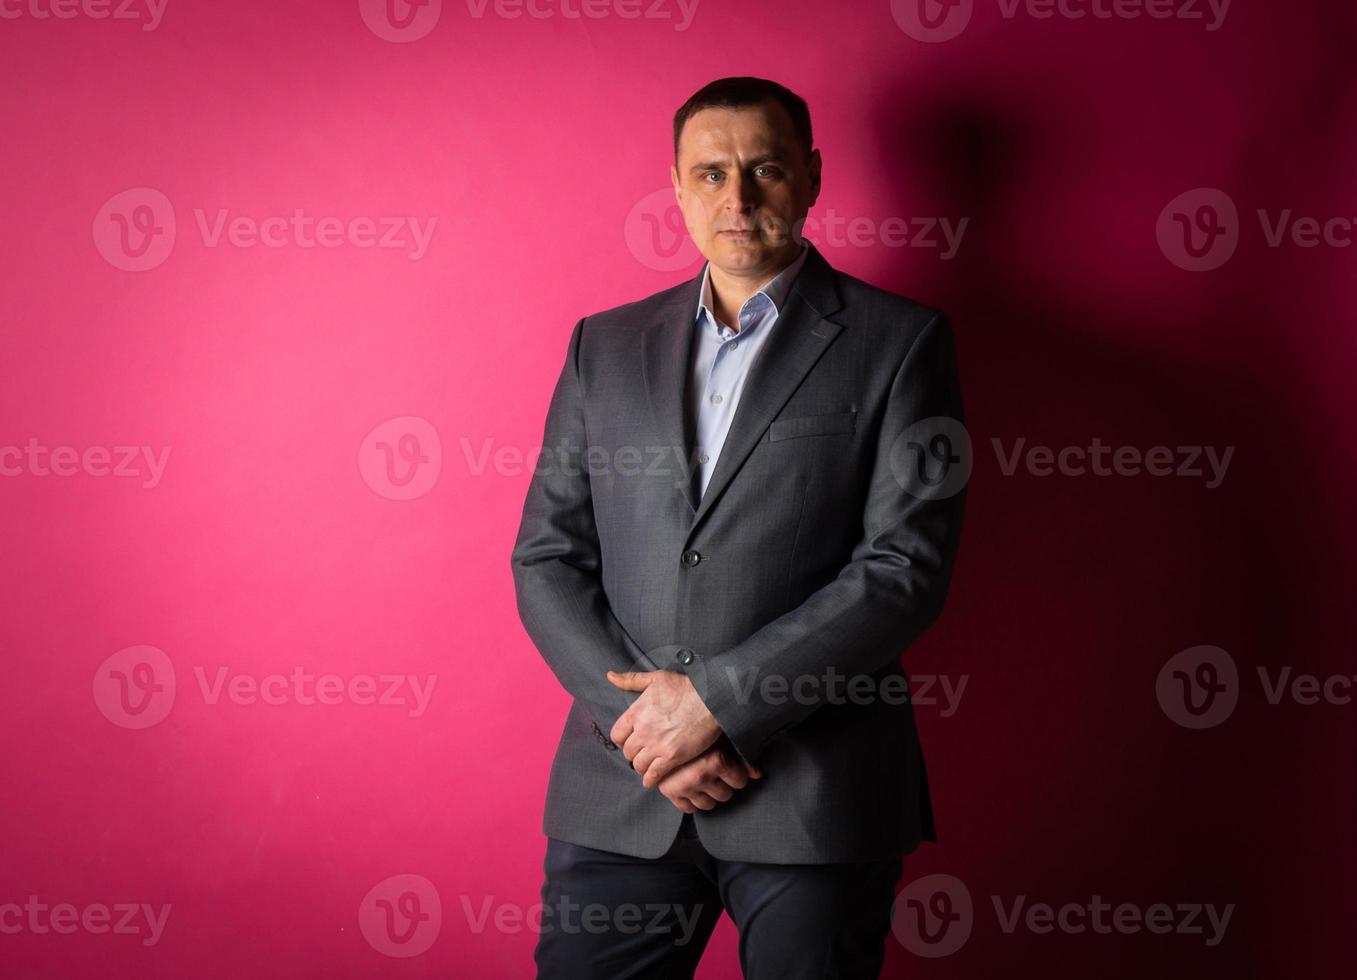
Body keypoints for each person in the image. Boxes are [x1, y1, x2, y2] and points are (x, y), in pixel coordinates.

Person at [510, 75, 968, 979]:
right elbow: (547, 557)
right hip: (623, 794)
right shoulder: (600, 347)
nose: (738, 198)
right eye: (711, 174)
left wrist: (716, 705)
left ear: (811, 177)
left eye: (764, 169)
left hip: (813, 795)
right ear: (676, 188)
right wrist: (648, 728)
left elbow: (903, 568)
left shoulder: (901, 342)